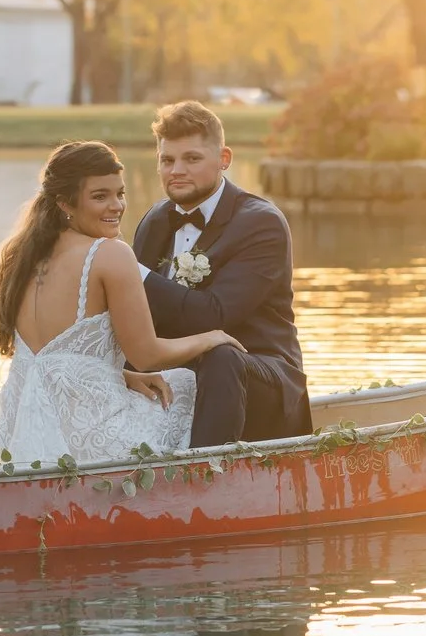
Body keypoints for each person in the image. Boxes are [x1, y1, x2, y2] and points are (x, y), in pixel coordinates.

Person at [0, 141, 241, 464]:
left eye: (119, 193)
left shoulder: (21, 256)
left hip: (18, 436)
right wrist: (211, 338)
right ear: (65, 203)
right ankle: (213, 486)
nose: (116, 206)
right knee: (188, 384)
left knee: (160, 385)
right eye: (99, 196)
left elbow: (56, 360)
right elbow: (147, 355)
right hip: (92, 439)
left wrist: (125, 376)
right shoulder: (110, 254)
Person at [128, 100, 312, 445]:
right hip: (176, 371)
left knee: (222, 355)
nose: (176, 170)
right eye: (167, 160)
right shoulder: (154, 222)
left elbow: (215, 314)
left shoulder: (261, 223)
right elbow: (137, 313)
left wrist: (128, 270)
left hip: (260, 374)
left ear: (223, 160)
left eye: (192, 159)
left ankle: (207, 479)